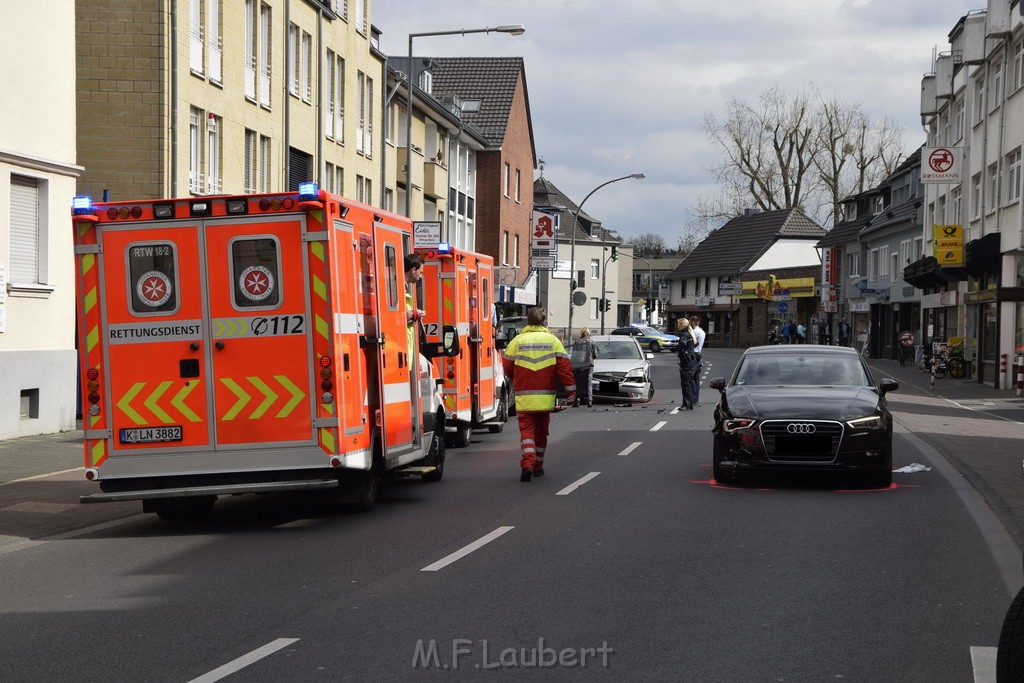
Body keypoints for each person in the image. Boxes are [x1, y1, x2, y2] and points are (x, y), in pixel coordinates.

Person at [502, 307, 576, 482]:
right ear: (544, 321)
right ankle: (538, 466)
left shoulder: (517, 341)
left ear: (528, 321)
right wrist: (571, 392)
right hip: (545, 398)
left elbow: (507, 367)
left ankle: (527, 464)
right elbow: (565, 369)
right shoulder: (553, 341)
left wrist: (517, 378)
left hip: (524, 396)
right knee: (542, 432)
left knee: (527, 432)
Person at [403, 253, 426, 354]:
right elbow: (392, 316)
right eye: (420, 272)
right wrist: (414, 314)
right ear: (413, 270)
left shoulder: (403, 287)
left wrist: (412, 317)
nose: (420, 276)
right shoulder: (397, 288)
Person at [676, 318, 697, 410]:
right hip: (691, 361)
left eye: (678, 324)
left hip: (686, 362)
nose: (677, 326)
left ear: (683, 325)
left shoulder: (684, 335)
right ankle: (690, 403)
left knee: (685, 384)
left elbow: (681, 347)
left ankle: (686, 404)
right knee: (688, 383)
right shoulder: (690, 335)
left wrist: (679, 351)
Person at [578, 327, 598, 407]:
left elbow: (575, 354)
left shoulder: (577, 341)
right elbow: (595, 355)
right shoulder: (591, 342)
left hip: (579, 364)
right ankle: (589, 401)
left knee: (578, 382)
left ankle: (577, 400)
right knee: (588, 382)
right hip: (589, 364)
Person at [689, 315, 705, 405]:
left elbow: (690, 343)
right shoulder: (702, 331)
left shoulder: (695, 332)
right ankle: (695, 398)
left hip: (693, 355)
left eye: (690, 322)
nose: (689, 324)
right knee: (695, 378)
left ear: (693, 322)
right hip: (698, 355)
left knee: (691, 378)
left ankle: (693, 398)